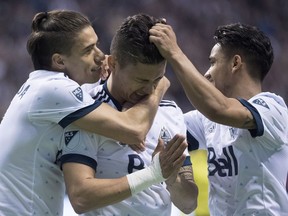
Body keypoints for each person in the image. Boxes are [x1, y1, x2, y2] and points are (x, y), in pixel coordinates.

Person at [0, 10, 169, 216]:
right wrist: (158, 84)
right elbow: (134, 130)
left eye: (97, 45)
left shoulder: (40, 86)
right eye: (89, 50)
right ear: (59, 62)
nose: (101, 56)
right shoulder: (53, 88)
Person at [60, 14, 198, 216]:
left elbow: (189, 204)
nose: (150, 89)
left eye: (157, 79)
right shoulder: (86, 109)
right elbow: (81, 199)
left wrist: (170, 176)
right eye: (141, 80)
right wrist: (153, 174)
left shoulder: (170, 113)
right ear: (113, 63)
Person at [150, 22, 288, 215]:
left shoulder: (272, 109)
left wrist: (175, 53)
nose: (207, 73)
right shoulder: (206, 121)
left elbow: (219, 108)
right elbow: (161, 127)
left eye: (213, 62)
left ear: (235, 63)